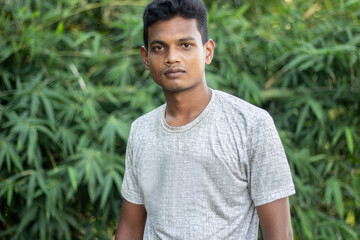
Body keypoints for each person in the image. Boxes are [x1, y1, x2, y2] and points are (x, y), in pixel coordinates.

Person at [115, 0, 296, 239]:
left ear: (207, 51)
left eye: (185, 45)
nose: (172, 57)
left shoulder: (251, 125)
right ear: (145, 57)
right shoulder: (141, 130)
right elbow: (129, 228)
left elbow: (280, 234)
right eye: (159, 47)